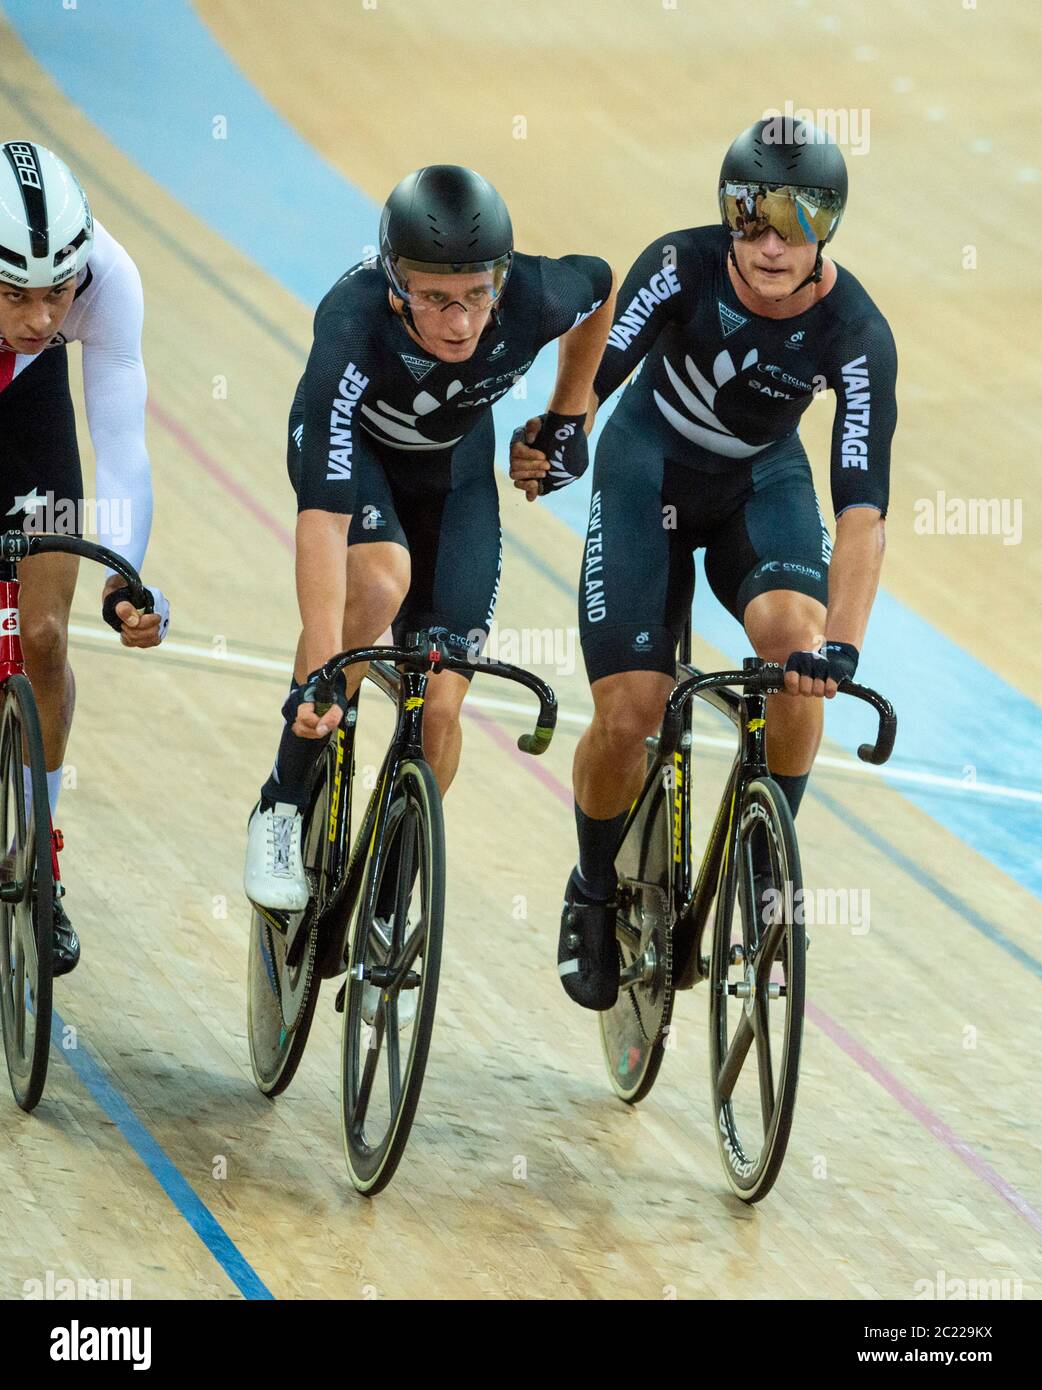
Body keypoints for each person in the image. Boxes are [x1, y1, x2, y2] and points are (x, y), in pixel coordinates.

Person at [512, 118, 897, 1010]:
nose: (768, 245)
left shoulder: (856, 329)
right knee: (632, 711)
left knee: (798, 653)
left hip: (759, 482)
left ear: (825, 229)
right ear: (725, 217)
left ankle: (763, 873)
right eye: (749, 219)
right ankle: (593, 888)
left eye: (792, 225)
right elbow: (595, 382)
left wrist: (843, 646)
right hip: (649, 468)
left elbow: (864, 511)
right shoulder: (680, 266)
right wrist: (560, 440)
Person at [244, 164, 615, 920]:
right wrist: (321, 665)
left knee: (441, 704)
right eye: (435, 297)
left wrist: (569, 417)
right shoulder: (350, 325)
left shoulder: (536, 296)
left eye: (478, 294)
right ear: (392, 281)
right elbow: (322, 518)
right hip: (357, 455)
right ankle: (280, 804)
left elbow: (602, 289)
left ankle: (388, 897)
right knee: (381, 583)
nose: (460, 321)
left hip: (453, 473)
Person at [0, 140, 169, 975]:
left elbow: (121, 441)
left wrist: (125, 576)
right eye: (14, 295)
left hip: (29, 415)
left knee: (46, 638)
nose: (40, 317)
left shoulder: (109, 277)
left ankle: (39, 862)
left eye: (56, 293)